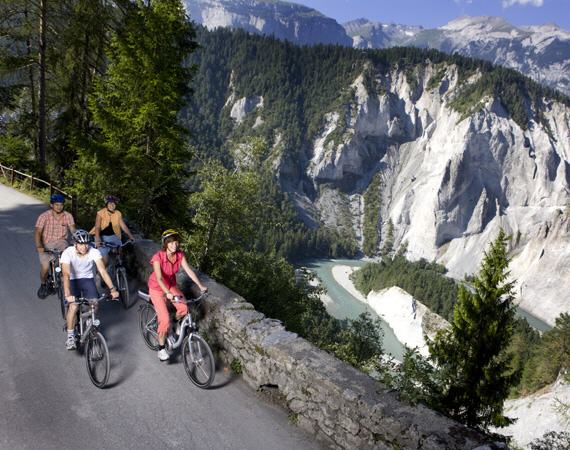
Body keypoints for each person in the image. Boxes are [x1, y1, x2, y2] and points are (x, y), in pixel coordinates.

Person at [148, 229, 207, 361]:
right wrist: (167, 293)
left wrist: (200, 285)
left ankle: (174, 324)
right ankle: (161, 348)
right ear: (165, 244)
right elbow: (158, 277)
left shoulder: (179, 255)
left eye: (176, 242)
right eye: (171, 242)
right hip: (157, 289)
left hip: (170, 285)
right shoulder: (158, 257)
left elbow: (189, 271)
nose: (174, 245)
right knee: (164, 320)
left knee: (184, 308)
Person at [61, 229, 119, 350]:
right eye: (81, 244)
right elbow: (65, 274)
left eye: (86, 244)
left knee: (95, 303)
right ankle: (70, 336)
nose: (84, 247)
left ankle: (89, 321)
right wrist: (67, 293)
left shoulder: (94, 251)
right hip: (72, 280)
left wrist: (112, 289)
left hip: (87, 279)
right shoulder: (67, 252)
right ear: (75, 244)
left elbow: (102, 271)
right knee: (74, 306)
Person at [35, 193, 76, 299]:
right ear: (51, 205)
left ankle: (67, 282)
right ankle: (43, 284)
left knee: (68, 264)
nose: (59, 207)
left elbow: (73, 230)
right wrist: (39, 246)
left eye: (61, 204)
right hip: (47, 245)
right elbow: (38, 232)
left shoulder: (68, 216)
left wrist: (77, 241)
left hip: (62, 243)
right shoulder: (44, 216)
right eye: (56, 204)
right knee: (45, 268)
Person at [92, 195, 135, 266]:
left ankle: (119, 268)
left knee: (120, 250)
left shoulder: (118, 213)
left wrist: (131, 236)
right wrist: (97, 239)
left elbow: (123, 226)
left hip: (113, 236)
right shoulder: (100, 213)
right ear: (106, 205)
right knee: (105, 260)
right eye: (109, 203)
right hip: (101, 236)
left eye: (113, 203)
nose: (111, 205)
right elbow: (97, 227)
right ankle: (99, 275)